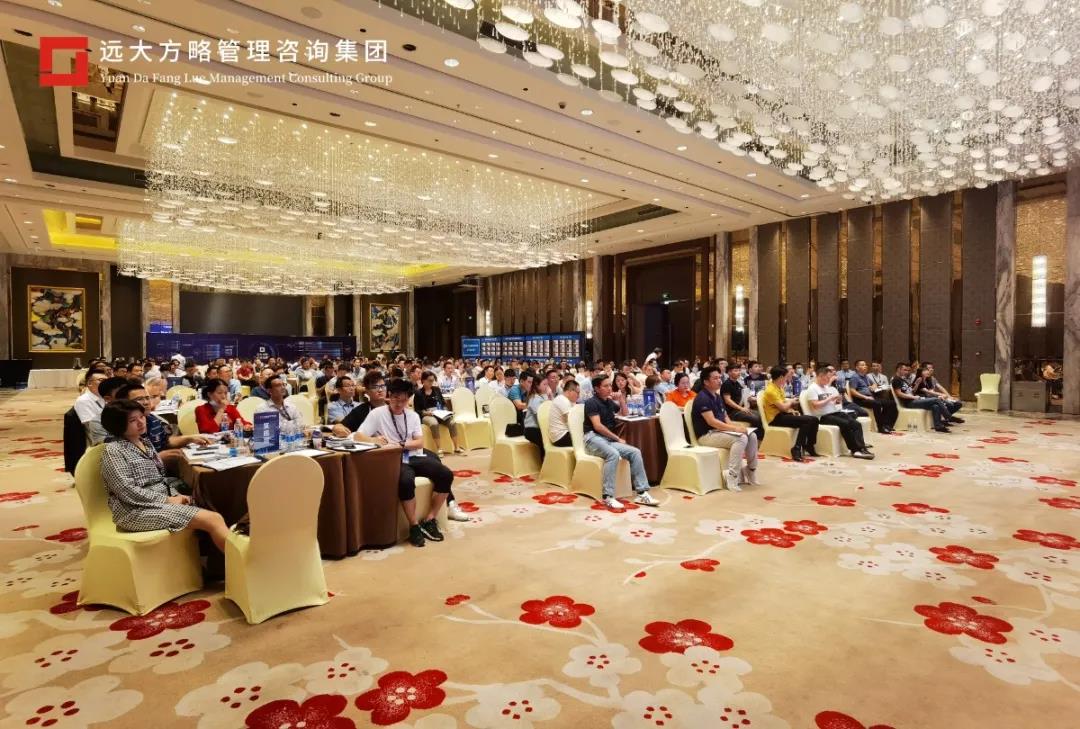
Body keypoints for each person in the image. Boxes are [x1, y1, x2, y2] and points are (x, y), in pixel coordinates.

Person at [100, 399, 230, 551]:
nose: (141, 422)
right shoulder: (114, 450)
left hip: (157, 502)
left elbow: (160, 480)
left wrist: (176, 495)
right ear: (118, 425)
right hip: (134, 512)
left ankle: (216, 557)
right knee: (213, 519)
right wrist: (168, 500)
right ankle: (239, 559)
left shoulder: (144, 442)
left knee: (213, 500)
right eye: (132, 420)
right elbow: (126, 491)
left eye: (141, 417)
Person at [351, 379, 455, 547]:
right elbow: (358, 436)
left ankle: (430, 519)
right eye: (395, 398)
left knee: (446, 475)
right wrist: (374, 440)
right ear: (389, 396)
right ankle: (414, 526)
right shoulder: (377, 414)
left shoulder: (412, 415)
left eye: (403, 400)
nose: (399, 403)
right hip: (393, 458)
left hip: (413, 455)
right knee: (405, 481)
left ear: (408, 399)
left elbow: (419, 442)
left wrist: (400, 444)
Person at [583, 375, 658, 510]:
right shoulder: (591, 403)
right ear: (596, 389)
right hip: (592, 439)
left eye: (609, 385)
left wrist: (621, 399)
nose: (609, 388)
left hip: (607, 440)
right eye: (605, 386)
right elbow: (597, 426)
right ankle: (608, 496)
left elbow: (625, 413)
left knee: (635, 452)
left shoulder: (608, 402)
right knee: (613, 454)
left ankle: (641, 493)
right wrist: (617, 439)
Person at [692, 366, 759, 491]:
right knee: (741, 438)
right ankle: (732, 475)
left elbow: (725, 416)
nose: (719, 380)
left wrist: (734, 426)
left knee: (752, 435)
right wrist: (734, 429)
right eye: (715, 378)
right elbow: (712, 422)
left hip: (719, 431)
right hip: (706, 435)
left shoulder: (717, 396)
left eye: (719, 377)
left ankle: (750, 470)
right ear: (706, 382)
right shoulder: (702, 398)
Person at [805, 363, 874, 459]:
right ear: (820, 376)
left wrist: (837, 400)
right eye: (827, 378)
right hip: (822, 416)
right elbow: (815, 405)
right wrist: (829, 399)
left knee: (856, 424)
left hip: (834, 412)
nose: (829, 380)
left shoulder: (826, 387)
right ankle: (855, 450)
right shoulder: (812, 388)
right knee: (845, 424)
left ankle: (861, 448)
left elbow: (834, 404)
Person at [761, 366, 820, 462]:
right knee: (807, 421)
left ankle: (809, 445)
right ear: (781, 377)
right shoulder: (770, 390)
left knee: (814, 420)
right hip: (775, 419)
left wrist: (791, 410)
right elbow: (783, 407)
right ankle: (796, 448)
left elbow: (784, 405)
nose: (787, 378)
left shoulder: (779, 387)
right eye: (786, 377)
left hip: (782, 414)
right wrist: (791, 402)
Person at [414, 370, 466, 455]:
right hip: (427, 414)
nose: (432, 382)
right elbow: (417, 410)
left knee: (452, 423)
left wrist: (445, 410)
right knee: (434, 423)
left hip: (439, 412)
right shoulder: (418, 393)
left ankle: (456, 447)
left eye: (433, 380)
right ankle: (439, 448)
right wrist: (427, 413)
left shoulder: (436, 390)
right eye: (429, 380)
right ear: (423, 381)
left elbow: (443, 403)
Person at [892, 363, 952, 433]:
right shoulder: (896, 379)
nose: (907, 372)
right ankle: (948, 416)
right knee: (936, 400)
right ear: (898, 369)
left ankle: (939, 426)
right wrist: (913, 397)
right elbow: (899, 394)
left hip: (914, 400)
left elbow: (912, 391)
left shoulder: (903, 379)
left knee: (935, 406)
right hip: (909, 403)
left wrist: (916, 384)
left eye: (907, 370)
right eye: (904, 370)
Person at [847, 360, 897, 434]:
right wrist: (865, 397)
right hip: (860, 399)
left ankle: (887, 425)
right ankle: (880, 427)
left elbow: (874, 384)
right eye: (862, 365)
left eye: (865, 365)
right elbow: (852, 391)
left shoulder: (866, 376)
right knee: (877, 404)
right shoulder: (855, 377)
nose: (865, 366)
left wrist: (873, 386)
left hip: (870, 397)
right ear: (857, 367)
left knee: (891, 403)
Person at [719, 362, 765, 441]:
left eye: (739, 370)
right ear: (729, 372)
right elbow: (727, 400)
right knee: (755, 418)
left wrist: (750, 399)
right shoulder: (727, 384)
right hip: (732, 412)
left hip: (739, 409)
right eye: (736, 370)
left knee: (761, 414)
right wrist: (741, 408)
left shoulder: (737, 383)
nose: (739, 372)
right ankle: (758, 439)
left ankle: (762, 437)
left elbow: (743, 395)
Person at [523, 378, 551, 459]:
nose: (547, 387)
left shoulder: (541, 397)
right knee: (547, 442)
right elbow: (542, 417)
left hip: (539, 428)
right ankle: (544, 462)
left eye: (547, 384)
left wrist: (549, 396)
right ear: (537, 386)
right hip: (532, 429)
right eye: (544, 384)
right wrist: (547, 396)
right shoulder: (535, 398)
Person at [548, 379, 578, 448]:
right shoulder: (562, 400)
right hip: (560, 436)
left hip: (565, 433)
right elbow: (573, 422)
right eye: (577, 392)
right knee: (588, 439)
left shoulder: (569, 400)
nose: (578, 395)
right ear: (570, 391)